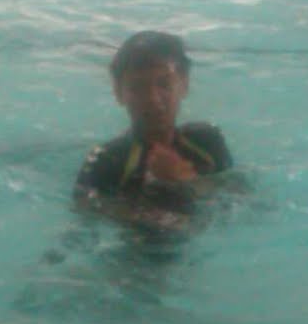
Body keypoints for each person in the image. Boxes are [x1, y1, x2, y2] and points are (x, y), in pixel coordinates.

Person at [73, 31, 239, 229]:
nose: (153, 98)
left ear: (184, 84)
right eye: (138, 87)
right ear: (119, 93)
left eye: (164, 84)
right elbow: (85, 210)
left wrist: (186, 182)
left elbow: (241, 196)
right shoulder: (106, 161)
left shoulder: (207, 141)